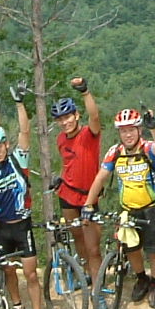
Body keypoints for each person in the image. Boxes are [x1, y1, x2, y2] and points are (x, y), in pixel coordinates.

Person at [0, 88, 52, 309]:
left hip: (22, 225)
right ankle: (17, 306)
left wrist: (19, 103)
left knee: (30, 273)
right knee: (8, 270)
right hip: (2, 227)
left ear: (6, 145)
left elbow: (25, 131)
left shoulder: (18, 158)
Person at [82, 107, 155, 303]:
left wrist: (154, 128)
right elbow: (101, 178)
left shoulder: (147, 148)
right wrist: (88, 204)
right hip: (128, 210)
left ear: (139, 130)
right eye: (123, 131)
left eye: (131, 130)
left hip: (152, 207)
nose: (127, 135)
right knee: (131, 248)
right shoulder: (115, 152)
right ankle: (141, 279)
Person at [51, 76, 103, 280]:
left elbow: (95, 116)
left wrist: (85, 92)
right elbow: (68, 163)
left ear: (76, 115)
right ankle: (87, 275)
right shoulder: (61, 139)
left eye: (68, 117)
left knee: (93, 247)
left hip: (89, 196)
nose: (64, 122)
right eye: (60, 119)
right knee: (78, 239)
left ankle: (97, 287)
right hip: (67, 195)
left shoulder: (89, 134)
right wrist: (60, 179)